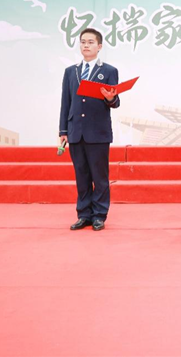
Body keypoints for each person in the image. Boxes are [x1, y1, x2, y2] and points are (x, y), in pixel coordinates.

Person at [59, 28, 120, 231]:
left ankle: (99, 215)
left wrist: (110, 98)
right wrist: (63, 131)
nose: (86, 45)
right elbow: (66, 102)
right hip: (76, 131)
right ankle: (83, 214)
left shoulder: (109, 71)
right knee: (81, 175)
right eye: (83, 42)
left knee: (99, 177)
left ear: (99, 46)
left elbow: (115, 102)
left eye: (91, 42)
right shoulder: (71, 72)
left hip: (98, 132)